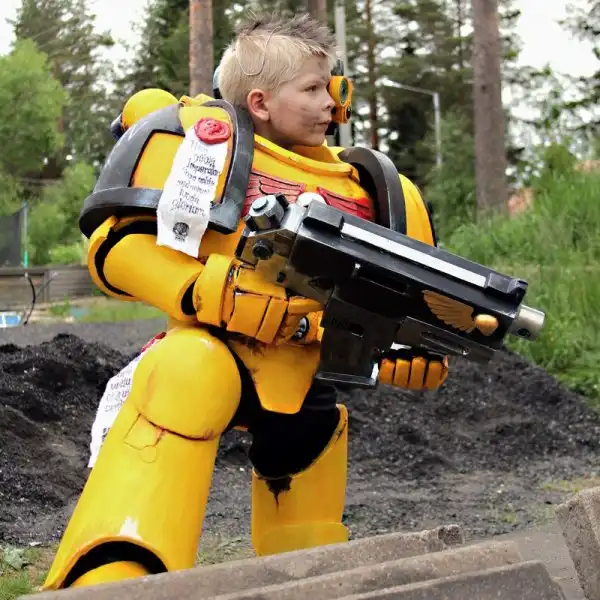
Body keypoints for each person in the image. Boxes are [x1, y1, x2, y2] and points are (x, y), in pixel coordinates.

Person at [42, 12, 448, 590]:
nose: (330, 103)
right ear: (260, 102)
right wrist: (207, 290)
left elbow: (409, 297)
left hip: (306, 374)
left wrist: (410, 347)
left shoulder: (374, 188)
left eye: (331, 86)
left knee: (311, 482)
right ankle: (114, 573)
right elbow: (117, 244)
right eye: (312, 89)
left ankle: (308, 580)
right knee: (187, 374)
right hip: (213, 349)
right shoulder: (202, 145)